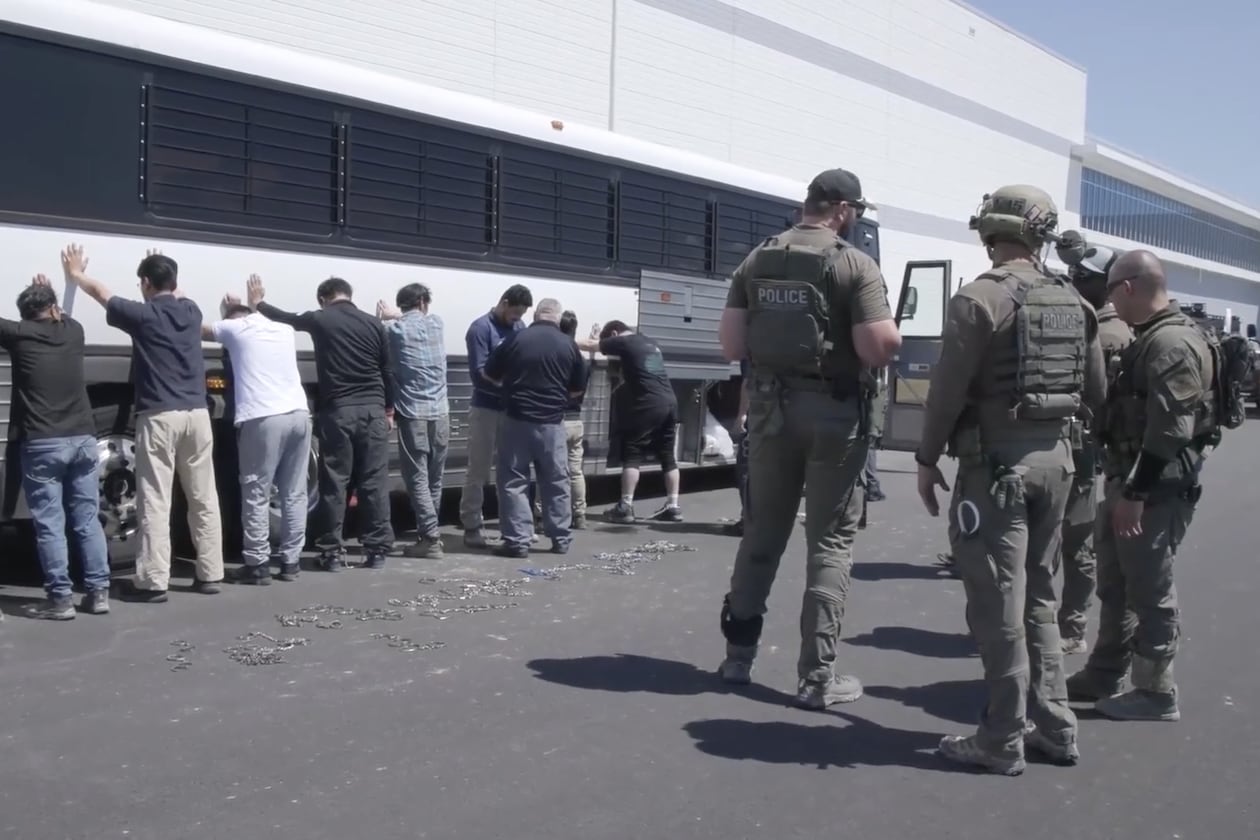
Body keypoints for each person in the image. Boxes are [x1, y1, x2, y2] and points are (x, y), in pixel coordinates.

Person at [914, 185, 1105, 775]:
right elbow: (1097, 394)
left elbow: (946, 393)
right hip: (1058, 465)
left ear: (989, 231)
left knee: (998, 605)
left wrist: (925, 460)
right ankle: (1056, 727)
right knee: (1040, 600)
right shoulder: (1077, 302)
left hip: (997, 471)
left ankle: (1001, 737)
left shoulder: (979, 299)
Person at [713, 167, 902, 709]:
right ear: (842, 209)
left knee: (762, 535)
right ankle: (817, 677)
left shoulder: (757, 258)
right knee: (831, 542)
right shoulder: (853, 263)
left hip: (772, 411)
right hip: (836, 416)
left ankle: (736, 658)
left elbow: (730, 345)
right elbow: (877, 348)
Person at [1067, 250, 1218, 722]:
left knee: (1150, 589)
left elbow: (1171, 430)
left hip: (1152, 489)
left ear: (1128, 287)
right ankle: (1107, 669)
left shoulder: (1171, 343)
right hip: (1129, 479)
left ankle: (1155, 691)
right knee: (1117, 583)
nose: (1110, 301)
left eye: (1111, 290)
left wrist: (1134, 494)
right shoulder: (1149, 337)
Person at [62, 244, 224, 602]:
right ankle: (210, 574)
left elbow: (102, 294)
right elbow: (177, 292)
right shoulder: (192, 311)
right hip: (197, 415)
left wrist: (76, 274)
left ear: (147, 283)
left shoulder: (143, 315)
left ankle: (154, 582)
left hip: (160, 414)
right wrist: (163, 269)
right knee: (203, 496)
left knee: (155, 498)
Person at [252, 276, 395, 571]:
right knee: (374, 483)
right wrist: (389, 410)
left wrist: (257, 303)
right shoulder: (374, 323)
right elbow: (388, 370)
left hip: (339, 411)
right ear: (349, 294)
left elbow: (285, 318)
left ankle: (331, 553)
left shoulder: (321, 319)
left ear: (322, 298)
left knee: (335, 483)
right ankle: (376, 550)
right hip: (372, 410)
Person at [1, 274, 110, 618]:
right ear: (53, 309)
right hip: (83, 439)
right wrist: (50, 287)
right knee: (86, 519)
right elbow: (63, 314)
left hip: (43, 443)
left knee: (50, 522)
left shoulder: (19, 335)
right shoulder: (74, 331)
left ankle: (61, 599)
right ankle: (98, 593)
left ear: (24, 315)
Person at [1053, 234, 1135, 654]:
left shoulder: (1109, 333)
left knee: (1075, 537)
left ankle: (1071, 624)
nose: (1073, 280)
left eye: (1082, 277)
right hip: (1064, 443)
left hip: (1084, 447)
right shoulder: (1081, 320)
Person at [202, 276, 311, 585]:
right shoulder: (283, 329)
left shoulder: (234, 329)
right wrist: (253, 302)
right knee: (294, 492)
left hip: (263, 418)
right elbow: (257, 318)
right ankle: (291, 561)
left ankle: (258, 563)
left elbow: (197, 329)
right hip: (299, 414)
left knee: (256, 490)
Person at [481, 299, 587, 558]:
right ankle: (560, 538)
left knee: (514, 481)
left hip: (516, 421)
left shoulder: (516, 339)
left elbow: (489, 375)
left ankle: (517, 542)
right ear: (558, 318)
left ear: (536, 315)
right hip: (552, 423)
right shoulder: (569, 345)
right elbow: (577, 388)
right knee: (556, 481)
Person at [576, 321, 681, 523]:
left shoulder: (624, 342)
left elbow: (591, 346)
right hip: (669, 401)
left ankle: (625, 506)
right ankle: (673, 506)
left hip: (648, 404)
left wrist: (568, 340)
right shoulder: (649, 342)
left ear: (615, 334)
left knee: (632, 453)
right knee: (668, 455)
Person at [378, 284, 449, 559]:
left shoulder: (393, 332)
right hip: (440, 413)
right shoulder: (437, 324)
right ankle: (427, 535)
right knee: (435, 479)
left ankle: (430, 538)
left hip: (413, 414)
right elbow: (416, 317)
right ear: (422, 302)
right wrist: (396, 314)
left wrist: (385, 316)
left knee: (417, 478)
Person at [461, 285, 532, 548]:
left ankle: (513, 527)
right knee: (478, 470)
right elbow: (479, 374)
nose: (516, 319)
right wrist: (510, 386)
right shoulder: (481, 329)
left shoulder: (520, 327)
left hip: (510, 409)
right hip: (486, 408)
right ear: (503, 303)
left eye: (520, 314)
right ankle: (471, 526)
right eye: (513, 313)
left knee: (512, 469)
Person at [558, 310, 592, 529]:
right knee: (575, 472)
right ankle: (579, 515)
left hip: (557, 420)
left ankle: (543, 516)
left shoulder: (558, 355)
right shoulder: (581, 359)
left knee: (551, 470)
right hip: (576, 420)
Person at [722, 360, 752, 537]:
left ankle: (748, 521)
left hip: (760, 416)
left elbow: (749, 382)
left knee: (746, 470)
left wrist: (742, 414)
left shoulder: (756, 346)